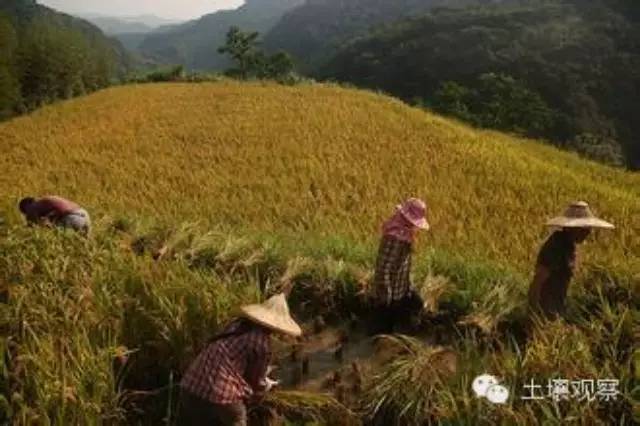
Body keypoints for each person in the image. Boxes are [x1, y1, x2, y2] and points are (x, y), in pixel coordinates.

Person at [178, 293, 302, 426]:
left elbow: (230, 357)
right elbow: (256, 382)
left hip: (190, 386)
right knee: (237, 417)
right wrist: (267, 386)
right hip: (220, 395)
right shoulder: (261, 342)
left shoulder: (236, 325)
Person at [528, 201, 614, 320]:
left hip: (556, 307)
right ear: (571, 228)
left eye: (588, 229)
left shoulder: (569, 246)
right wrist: (533, 310)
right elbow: (539, 278)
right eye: (584, 229)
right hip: (546, 310)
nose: (588, 232)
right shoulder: (556, 246)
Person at [370, 198, 430, 334]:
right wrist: (387, 293)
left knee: (417, 304)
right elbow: (383, 267)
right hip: (390, 292)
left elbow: (404, 264)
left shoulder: (405, 236)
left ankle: (403, 334)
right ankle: (380, 343)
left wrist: (409, 285)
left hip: (401, 287)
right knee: (384, 324)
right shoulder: (394, 238)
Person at [18, 195, 91, 234]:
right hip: (84, 214)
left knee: (60, 241)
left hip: (72, 218)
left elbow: (31, 228)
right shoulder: (45, 201)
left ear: (26, 206)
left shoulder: (32, 207)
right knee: (83, 245)